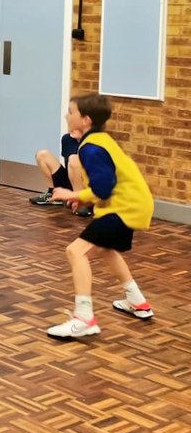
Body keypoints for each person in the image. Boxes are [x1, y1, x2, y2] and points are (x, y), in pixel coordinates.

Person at [46, 94, 154, 339]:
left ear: (85, 119)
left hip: (123, 208)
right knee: (106, 248)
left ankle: (84, 318)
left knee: (76, 251)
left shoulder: (92, 148)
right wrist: (81, 197)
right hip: (133, 205)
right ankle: (137, 301)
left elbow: (104, 187)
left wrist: (70, 193)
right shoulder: (99, 139)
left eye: (71, 111)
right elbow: (105, 186)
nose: (66, 115)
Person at [30, 132, 92, 217]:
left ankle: (82, 202)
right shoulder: (67, 139)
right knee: (42, 155)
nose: (71, 129)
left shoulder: (93, 143)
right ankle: (53, 194)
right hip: (70, 179)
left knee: (74, 159)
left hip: (86, 185)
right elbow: (68, 164)